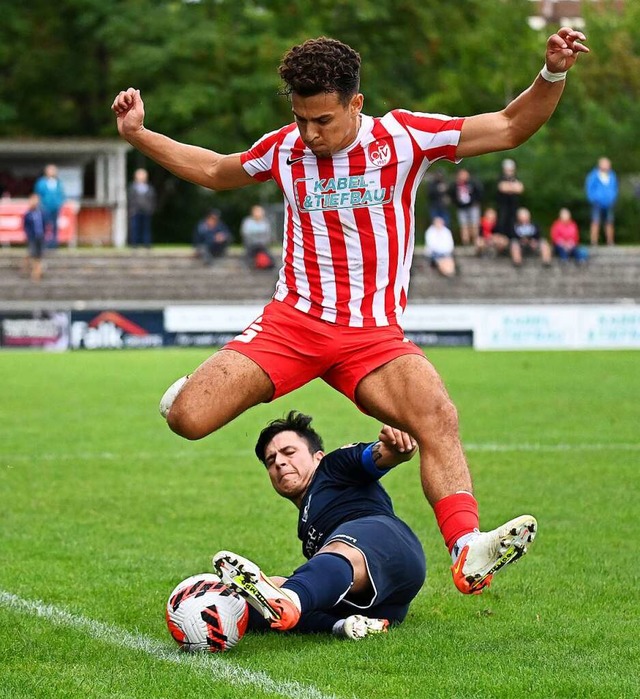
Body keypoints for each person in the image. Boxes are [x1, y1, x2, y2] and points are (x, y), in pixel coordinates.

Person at [113, 28, 586, 595]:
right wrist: (139, 135)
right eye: (301, 120)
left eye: (323, 121)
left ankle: (466, 549)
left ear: (356, 103)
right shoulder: (285, 147)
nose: (309, 135)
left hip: (372, 338)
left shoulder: (403, 138)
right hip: (292, 324)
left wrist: (552, 73)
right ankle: (193, 390)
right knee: (187, 420)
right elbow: (217, 170)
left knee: (437, 417)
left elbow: (509, 126)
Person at [213, 412, 535, 638]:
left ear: (317, 456)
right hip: (387, 605)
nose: (280, 462)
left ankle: (290, 599)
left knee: (315, 574)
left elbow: (378, 456)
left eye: (288, 452)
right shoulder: (307, 525)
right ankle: (343, 627)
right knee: (260, 603)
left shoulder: (334, 467)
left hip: (387, 543)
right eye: (271, 461)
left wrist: (394, 447)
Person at [585, 157, 618, 246]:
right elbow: (589, 189)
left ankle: (610, 241)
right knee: (595, 221)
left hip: (609, 203)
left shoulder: (612, 175)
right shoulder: (593, 175)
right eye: (605, 164)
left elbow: (615, 188)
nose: (607, 166)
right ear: (600, 165)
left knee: (609, 222)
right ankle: (594, 241)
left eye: (608, 164)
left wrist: (613, 198)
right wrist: (593, 199)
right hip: (597, 202)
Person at [34, 164, 65, 249]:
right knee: (44, 226)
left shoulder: (58, 183)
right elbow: (38, 194)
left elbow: (61, 195)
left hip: (55, 208)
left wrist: (59, 204)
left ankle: (53, 244)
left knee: (54, 226)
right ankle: (43, 244)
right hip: (44, 208)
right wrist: (40, 205)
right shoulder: (41, 182)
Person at [450, 168, 483, 246]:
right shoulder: (455, 185)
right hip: (461, 207)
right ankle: (466, 243)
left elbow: (479, 192)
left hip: (473, 206)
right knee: (463, 225)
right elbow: (451, 195)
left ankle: (475, 242)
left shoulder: (473, 183)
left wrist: (476, 201)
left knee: (474, 224)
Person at [127, 167, 157, 247]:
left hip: (146, 211)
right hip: (135, 211)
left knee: (146, 228)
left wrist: (151, 209)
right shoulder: (132, 187)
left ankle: (147, 244)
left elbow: (152, 199)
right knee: (135, 228)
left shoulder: (149, 188)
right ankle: (134, 244)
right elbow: (130, 199)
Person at [240, 204, 275, 269]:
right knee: (250, 253)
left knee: (268, 255)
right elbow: (246, 234)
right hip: (251, 244)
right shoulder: (247, 222)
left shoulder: (265, 222)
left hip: (262, 244)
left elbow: (268, 234)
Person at [496, 159, 524, 240]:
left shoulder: (516, 177)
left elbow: (520, 188)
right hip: (503, 206)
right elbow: (502, 187)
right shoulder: (500, 177)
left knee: (514, 223)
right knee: (502, 222)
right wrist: (513, 187)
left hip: (514, 205)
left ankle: (512, 239)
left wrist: (509, 187)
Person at [21, 193, 46, 282]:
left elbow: (44, 224)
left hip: (40, 236)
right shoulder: (28, 214)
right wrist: (28, 235)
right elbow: (25, 226)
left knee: (38, 254)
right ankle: (36, 273)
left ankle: (30, 268)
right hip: (32, 237)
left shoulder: (41, 213)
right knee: (34, 255)